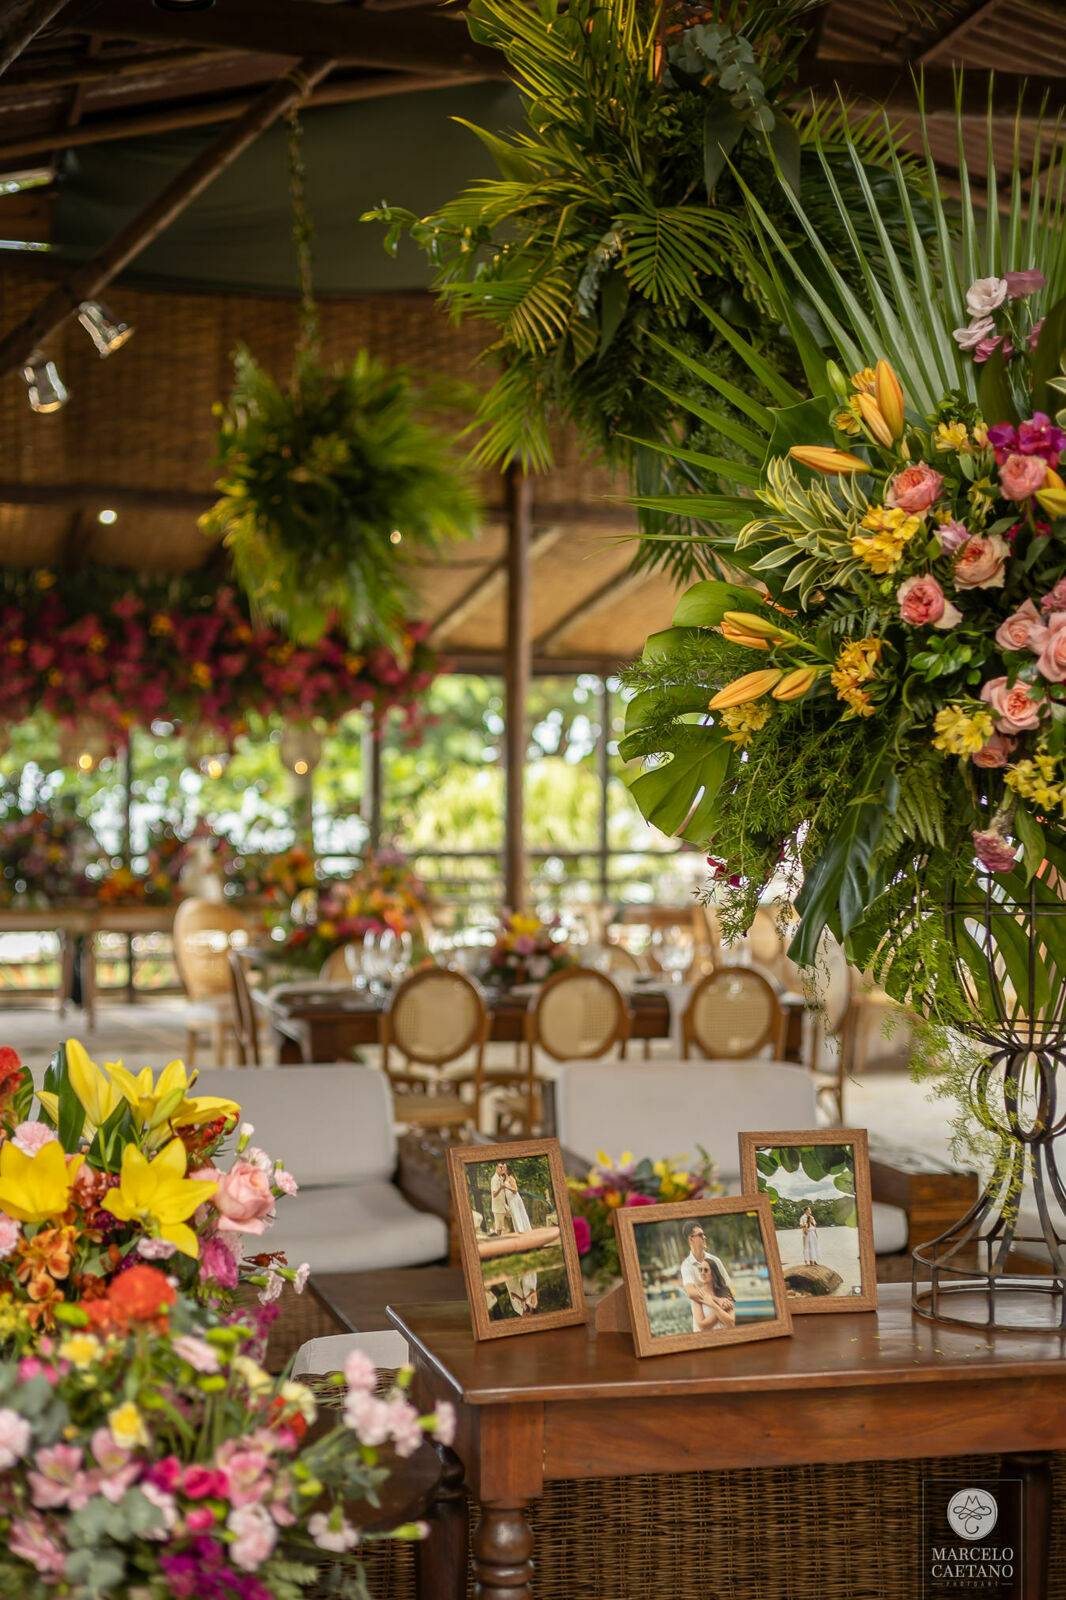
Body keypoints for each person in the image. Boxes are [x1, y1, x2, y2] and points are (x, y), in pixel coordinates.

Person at [679, 1219, 736, 1333]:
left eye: (704, 1234)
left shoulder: (715, 1261)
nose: (704, 1237)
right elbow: (691, 1293)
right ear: (691, 1239)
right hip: (703, 1320)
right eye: (700, 1235)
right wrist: (717, 1301)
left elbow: (727, 1288)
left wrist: (723, 1305)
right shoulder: (686, 1266)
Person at [691, 1257, 736, 1332]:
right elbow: (702, 1326)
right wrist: (721, 1309)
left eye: (706, 1270)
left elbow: (731, 1323)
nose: (702, 1273)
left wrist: (712, 1304)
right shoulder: (697, 1294)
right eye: (700, 1270)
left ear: (713, 1273)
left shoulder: (725, 1292)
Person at [505, 1166, 532, 1234]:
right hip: (510, 1200)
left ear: (507, 1169)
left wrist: (506, 1187)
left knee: (518, 1214)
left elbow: (515, 1190)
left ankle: (523, 1230)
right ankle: (518, 1231)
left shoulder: (511, 1178)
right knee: (514, 1215)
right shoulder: (504, 1179)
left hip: (514, 1199)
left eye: (504, 1167)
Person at [490, 1162, 512, 1236]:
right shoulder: (494, 1179)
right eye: (500, 1167)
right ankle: (497, 1243)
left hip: (503, 1205)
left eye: (502, 1167)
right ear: (496, 1168)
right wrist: (500, 1187)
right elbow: (494, 1194)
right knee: (499, 1229)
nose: (502, 1169)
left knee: (513, 1213)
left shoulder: (501, 1178)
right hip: (498, 1208)